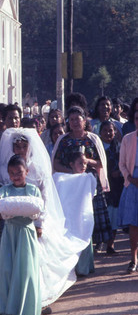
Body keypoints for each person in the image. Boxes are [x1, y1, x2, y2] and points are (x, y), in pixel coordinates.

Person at [0, 127, 88, 308]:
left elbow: (45, 197)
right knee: (14, 261)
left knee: (37, 260)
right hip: (14, 223)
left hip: (34, 222)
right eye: (17, 147)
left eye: (23, 146)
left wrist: (39, 223)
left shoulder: (37, 168)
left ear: (29, 147)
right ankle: (16, 297)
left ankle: (39, 298)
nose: (20, 150)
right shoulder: (8, 169)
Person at [53, 106, 112, 252]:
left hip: (90, 184)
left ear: (84, 121)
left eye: (77, 119)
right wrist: (72, 172)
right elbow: (55, 162)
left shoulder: (92, 139)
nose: (74, 123)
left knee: (89, 214)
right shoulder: (63, 140)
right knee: (74, 216)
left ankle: (94, 245)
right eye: (71, 120)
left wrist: (86, 161)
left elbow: (101, 163)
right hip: (70, 185)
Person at [0, 155, 42, 315]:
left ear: (27, 172)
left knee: (26, 270)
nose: (16, 176)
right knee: (8, 269)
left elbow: (36, 211)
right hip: (10, 233)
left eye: (19, 172)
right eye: (12, 173)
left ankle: (27, 310)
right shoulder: (4, 190)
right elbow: (3, 211)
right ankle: (9, 310)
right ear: (8, 174)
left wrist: (20, 211)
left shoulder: (33, 190)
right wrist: (19, 209)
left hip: (27, 232)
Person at [55, 150, 97, 276]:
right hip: (69, 214)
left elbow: (90, 195)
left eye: (85, 163)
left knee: (84, 234)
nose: (83, 166)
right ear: (71, 164)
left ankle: (84, 267)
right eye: (80, 163)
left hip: (83, 213)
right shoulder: (61, 178)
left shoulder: (88, 178)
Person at [117, 110, 138, 273]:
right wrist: (130, 179)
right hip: (132, 183)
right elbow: (122, 164)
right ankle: (133, 259)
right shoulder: (128, 139)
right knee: (133, 224)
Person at [99, 121, 124, 254]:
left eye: (111, 130)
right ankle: (99, 243)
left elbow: (125, 163)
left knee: (113, 215)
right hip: (101, 185)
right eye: (105, 130)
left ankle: (111, 244)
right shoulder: (97, 147)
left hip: (116, 187)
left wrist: (119, 172)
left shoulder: (120, 146)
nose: (108, 133)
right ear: (100, 132)